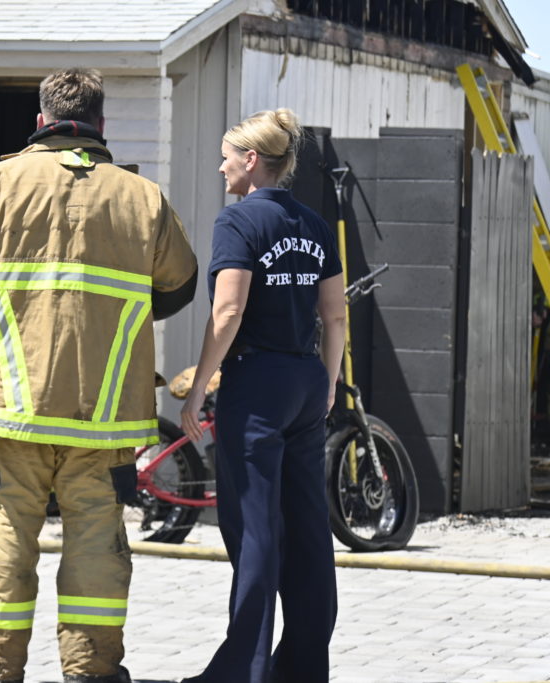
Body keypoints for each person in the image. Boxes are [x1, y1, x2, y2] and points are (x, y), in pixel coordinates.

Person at [0, 68, 198, 683]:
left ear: (40, 122)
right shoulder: (143, 199)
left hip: (10, 410)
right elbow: (179, 286)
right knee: (97, 541)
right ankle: (92, 670)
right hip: (104, 416)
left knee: (6, 533)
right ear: (100, 124)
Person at [177, 109, 345, 683]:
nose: (220, 167)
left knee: (254, 529)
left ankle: (241, 670)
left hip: (257, 385)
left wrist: (198, 388)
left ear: (251, 161)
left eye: (226, 156)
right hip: (305, 380)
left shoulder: (238, 221)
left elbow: (228, 311)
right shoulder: (314, 224)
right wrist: (328, 382)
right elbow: (336, 315)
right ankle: (302, 666)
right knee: (308, 527)